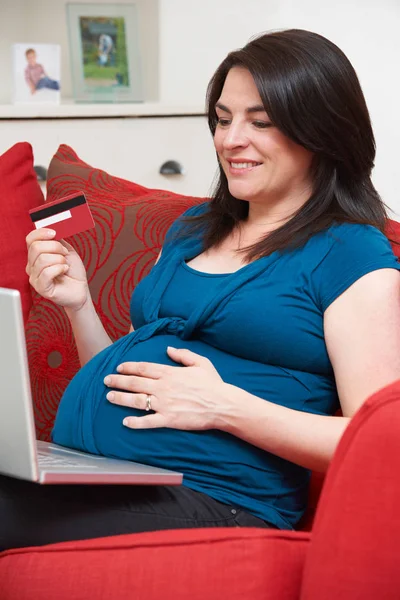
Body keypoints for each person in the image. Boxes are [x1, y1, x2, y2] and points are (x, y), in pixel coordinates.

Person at [2, 28, 400, 551]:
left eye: (261, 122)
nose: (230, 140)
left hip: (221, 503)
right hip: (113, 476)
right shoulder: (195, 228)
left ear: (321, 130)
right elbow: (131, 382)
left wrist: (224, 407)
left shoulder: (351, 253)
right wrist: (79, 306)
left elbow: (379, 442)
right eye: (223, 118)